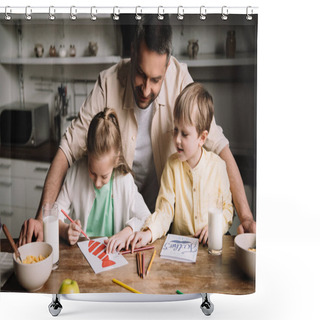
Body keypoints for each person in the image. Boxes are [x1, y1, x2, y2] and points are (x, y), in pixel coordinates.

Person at [18, 14, 255, 247]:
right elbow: (67, 150)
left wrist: (245, 217)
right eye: (141, 74)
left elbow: (218, 145)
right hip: (124, 225)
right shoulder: (108, 82)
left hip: (165, 221)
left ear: (168, 65)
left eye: (156, 80)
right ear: (132, 53)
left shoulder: (180, 78)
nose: (146, 89)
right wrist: (41, 218)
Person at [128, 83, 233, 249]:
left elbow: (227, 210)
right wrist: (148, 233)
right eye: (175, 130)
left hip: (210, 249)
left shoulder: (218, 167)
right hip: (179, 253)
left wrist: (216, 228)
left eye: (184, 134)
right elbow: (165, 211)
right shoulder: (172, 166)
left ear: (202, 138)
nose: (177, 139)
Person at [56, 108, 150, 253]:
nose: (97, 183)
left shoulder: (124, 180)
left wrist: (127, 232)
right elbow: (52, 215)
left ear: (117, 158)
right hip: (81, 256)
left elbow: (146, 218)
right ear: (88, 153)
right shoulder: (76, 172)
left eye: (104, 176)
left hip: (113, 257)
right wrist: (64, 230)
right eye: (92, 173)